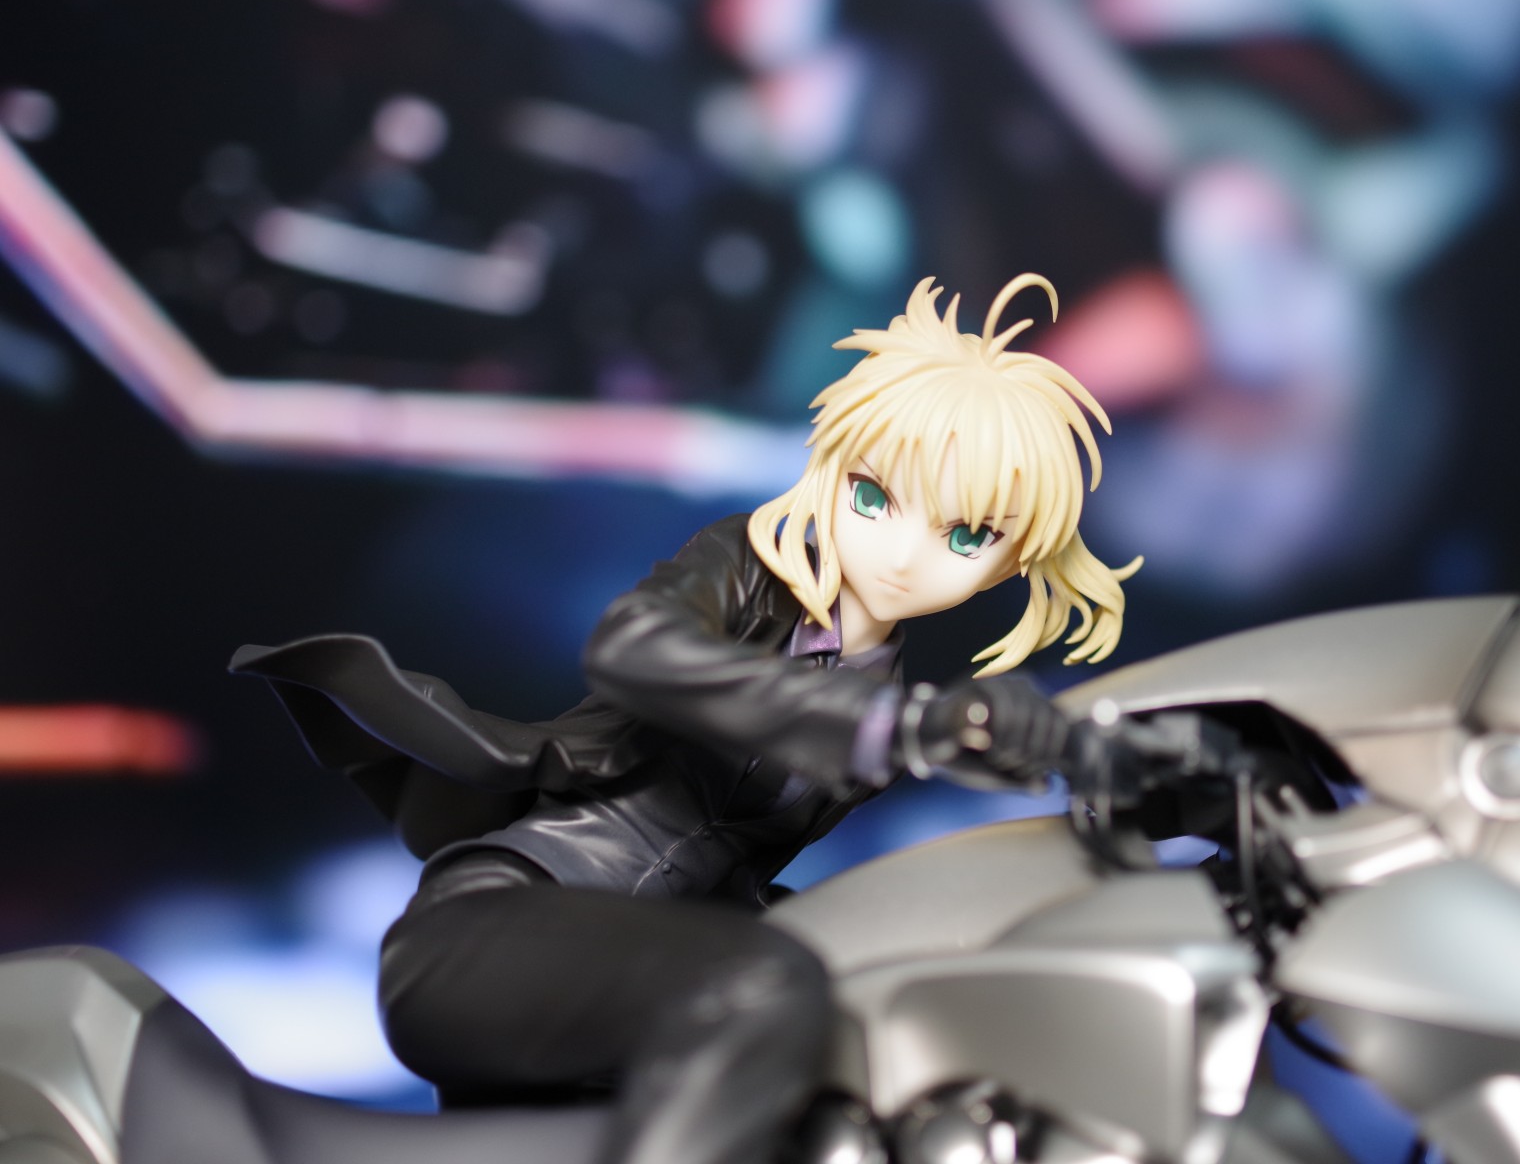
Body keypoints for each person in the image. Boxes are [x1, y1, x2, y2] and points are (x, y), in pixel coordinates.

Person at [231, 272, 1140, 1164]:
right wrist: (896, 726)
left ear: (1012, 558)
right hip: (499, 929)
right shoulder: (746, 570)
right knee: (765, 987)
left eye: (966, 535)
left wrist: (1059, 748)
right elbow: (631, 647)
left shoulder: (899, 687)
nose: (904, 554)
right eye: (875, 496)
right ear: (831, 468)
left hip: (634, 998)